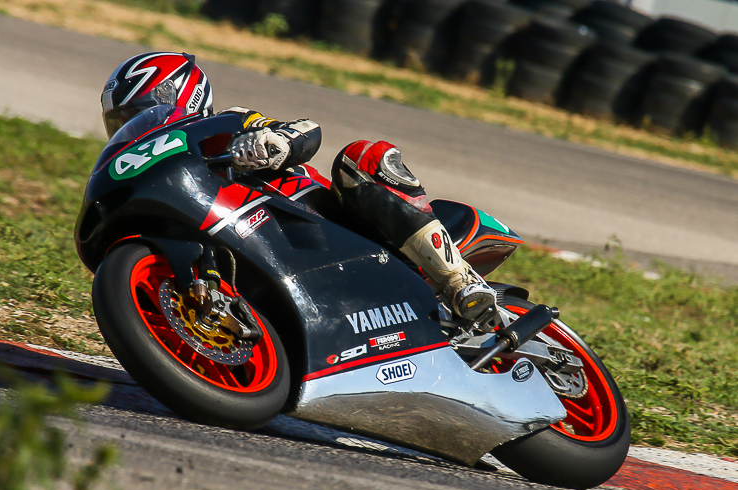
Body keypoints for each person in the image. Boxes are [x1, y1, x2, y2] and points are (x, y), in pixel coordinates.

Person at [101, 52, 498, 327]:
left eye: (134, 115)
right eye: (119, 122)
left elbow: (308, 130)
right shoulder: (178, 180)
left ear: (178, 95)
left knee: (361, 158)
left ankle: (459, 282)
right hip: (287, 264)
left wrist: (274, 141)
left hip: (339, 230)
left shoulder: (227, 123)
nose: (129, 127)